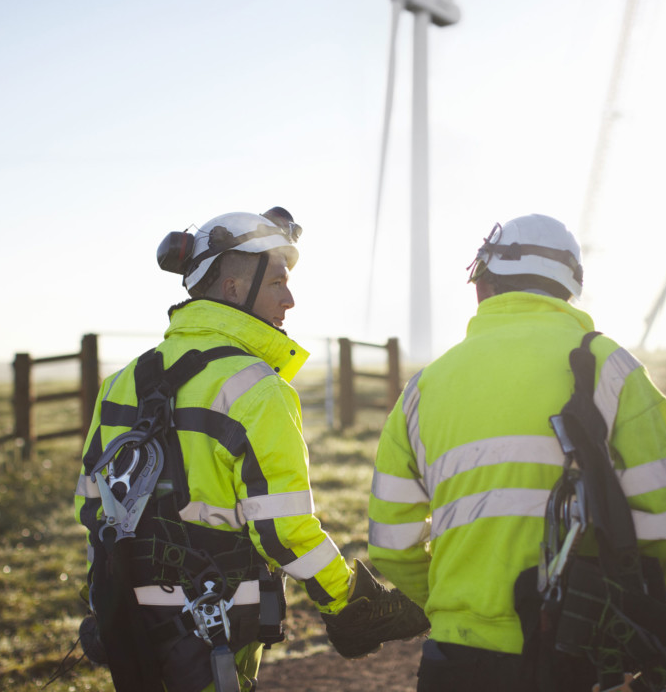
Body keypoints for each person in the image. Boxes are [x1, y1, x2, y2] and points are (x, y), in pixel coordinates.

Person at [75, 207, 428, 692]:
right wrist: (349, 605)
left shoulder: (121, 382)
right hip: (214, 624)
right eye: (278, 283)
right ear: (235, 290)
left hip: (128, 621)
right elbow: (284, 529)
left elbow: (92, 506)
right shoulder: (258, 389)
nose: (291, 299)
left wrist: (103, 603)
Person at [367, 214, 666, 691]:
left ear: (482, 285)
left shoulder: (423, 388)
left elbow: (390, 542)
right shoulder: (612, 369)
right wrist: (626, 608)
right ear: (568, 291)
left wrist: (450, 606)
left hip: (456, 656)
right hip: (574, 649)